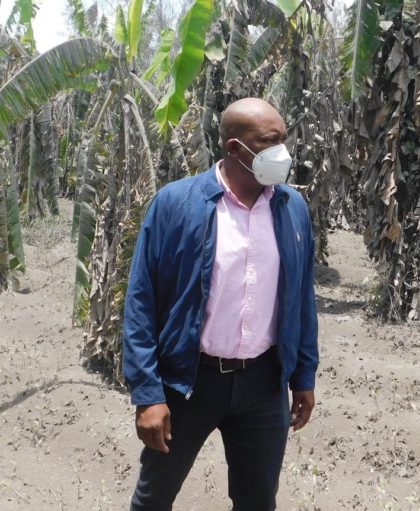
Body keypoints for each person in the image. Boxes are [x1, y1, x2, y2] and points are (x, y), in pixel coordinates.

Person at [123, 98, 319, 511]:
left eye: (284, 140)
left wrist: (303, 375)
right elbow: (141, 302)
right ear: (234, 147)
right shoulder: (177, 204)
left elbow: (301, 298)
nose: (282, 152)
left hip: (263, 383)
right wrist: (148, 394)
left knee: (258, 501)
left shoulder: (292, 208)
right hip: (190, 382)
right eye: (269, 142)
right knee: (153, 499)